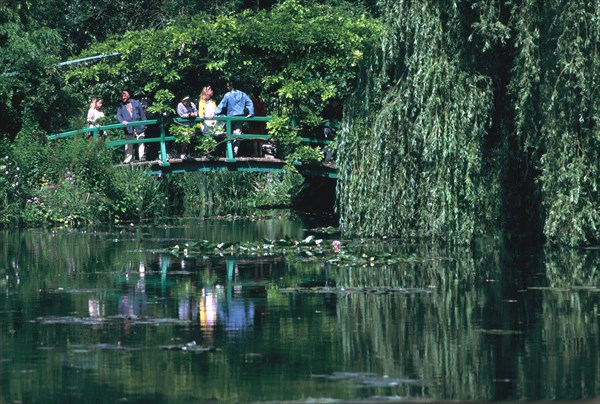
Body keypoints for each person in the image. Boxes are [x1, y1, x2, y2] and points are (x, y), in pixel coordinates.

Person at [214, 81, 254, 156]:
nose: (227, 88)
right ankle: (235, 152)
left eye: (228, 86)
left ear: (230, 86)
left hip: (231, 117)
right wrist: (251, 113)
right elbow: (249, 103)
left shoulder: (228, 95)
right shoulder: (243, 94)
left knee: (228, 133)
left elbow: (221, 105)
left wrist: (214, 113)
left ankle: (229, 152)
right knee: (237, 133)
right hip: (240, 117)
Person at [116, 90, 147, 163]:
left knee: (141, 142)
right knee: (129, 144)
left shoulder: (136, 103)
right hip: (128, 128)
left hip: (139, 126)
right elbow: (118, 115)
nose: (123, 96)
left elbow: (142, 115)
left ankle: (142, 158)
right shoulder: (121, 106)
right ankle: (128, 160)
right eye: (122, 95)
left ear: (128, 95)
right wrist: (122, 121)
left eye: (124, 94)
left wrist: (144, 124)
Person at [248, 87, 267, 157]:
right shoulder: (262, 101)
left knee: (255, 137)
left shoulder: (252, 101)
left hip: (254, 121)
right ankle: (260, 152)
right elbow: (264, 112)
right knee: (260, 136)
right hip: (261, 121)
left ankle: (256, 152)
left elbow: (250, 111)